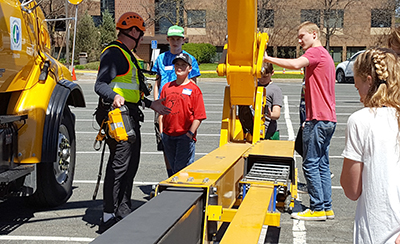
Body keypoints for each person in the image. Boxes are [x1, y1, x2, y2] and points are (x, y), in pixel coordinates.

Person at [94, 12, 170, 233]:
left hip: (131, 114)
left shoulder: (127, 55)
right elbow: (100, 85)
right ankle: (108, 214)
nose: (141, 37)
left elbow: (131, 92)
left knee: (131, 164)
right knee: (119, 166)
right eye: (140, 32)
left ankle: (123, 208)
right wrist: (113, 97)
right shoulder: (114, 53)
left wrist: (150, 104)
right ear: (133, 31)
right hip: (117, 115)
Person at [264, 21, 336, 221]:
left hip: (318, 119)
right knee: (322, 164)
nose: (298, 40)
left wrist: (266, 57)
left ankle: (317, 207)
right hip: (327, 118)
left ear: (314, 34)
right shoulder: (326, 55)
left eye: (301, 36)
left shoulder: (315, 53)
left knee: (311, 163)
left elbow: (296, 64)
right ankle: (326, 206)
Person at [340, 48, 400, 244]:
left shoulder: (361, 121)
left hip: (377, 231)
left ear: (369, 80)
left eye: (358, 89)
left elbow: (351, 190)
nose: (359, 97)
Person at [151, 25, 201, 177]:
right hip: (164, 108)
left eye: (178, 39)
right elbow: (157, 82)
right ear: (167, 40)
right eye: (172, 39)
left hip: (183, 108)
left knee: (185, 144)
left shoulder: (190, 59)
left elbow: (194, 84)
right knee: (165, 145)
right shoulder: (161, 58)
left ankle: (183, 177)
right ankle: (170, 175)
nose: (175, 42)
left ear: (183, 40)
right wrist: (156, 102)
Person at [159, 53, 206, 174]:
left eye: (183, 65)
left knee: (182, 171)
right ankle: (172, 191)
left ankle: (181, 192)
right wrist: (161, 132)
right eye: (177, 65)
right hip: (168, 135)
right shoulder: (167, 87)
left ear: (190, 68)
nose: (179, 67)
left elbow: (199, 115)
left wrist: (190, 133)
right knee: (172, 168)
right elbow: (161, 112)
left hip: (184, 136)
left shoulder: (194, 89)